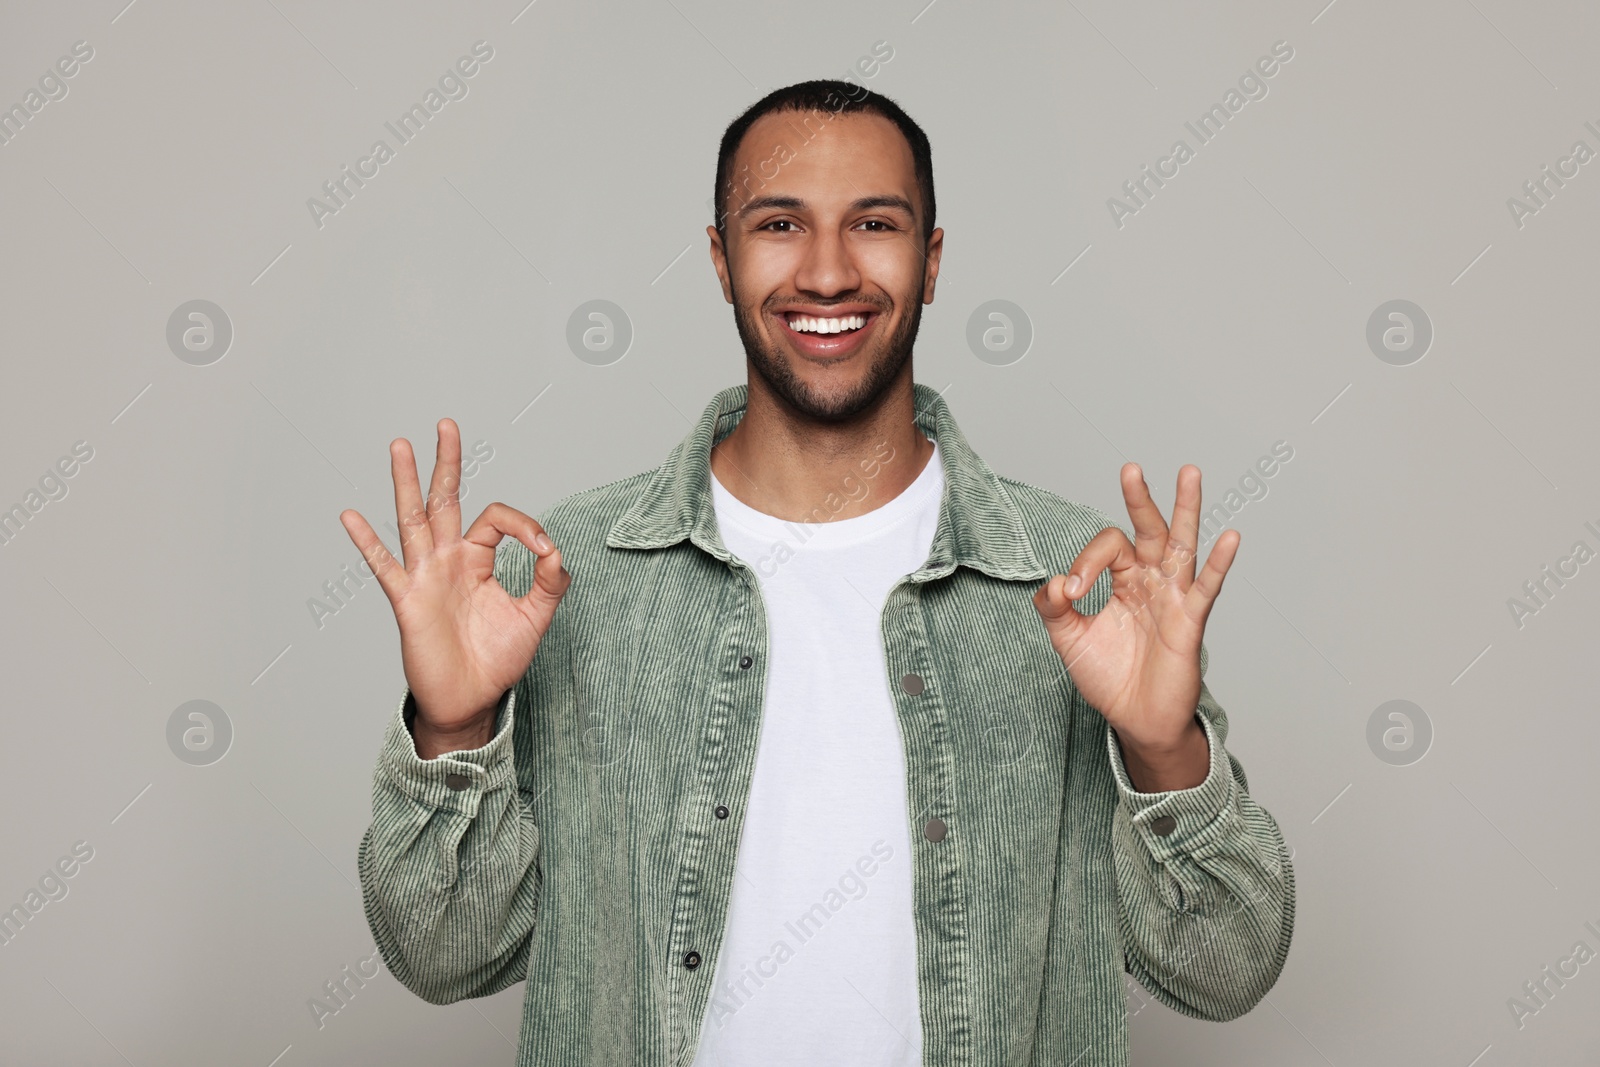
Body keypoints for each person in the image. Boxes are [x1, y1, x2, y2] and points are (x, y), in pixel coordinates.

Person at [340, 79, 1294, 1067]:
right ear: (720, 257)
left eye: (873, 223)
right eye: (780, 223)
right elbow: (444, 956)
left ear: (930, 261)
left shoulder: (1079, 580)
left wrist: (1161, 747)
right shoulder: (571, 573)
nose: (828, 272)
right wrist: (450, 728)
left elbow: (1222, 970)